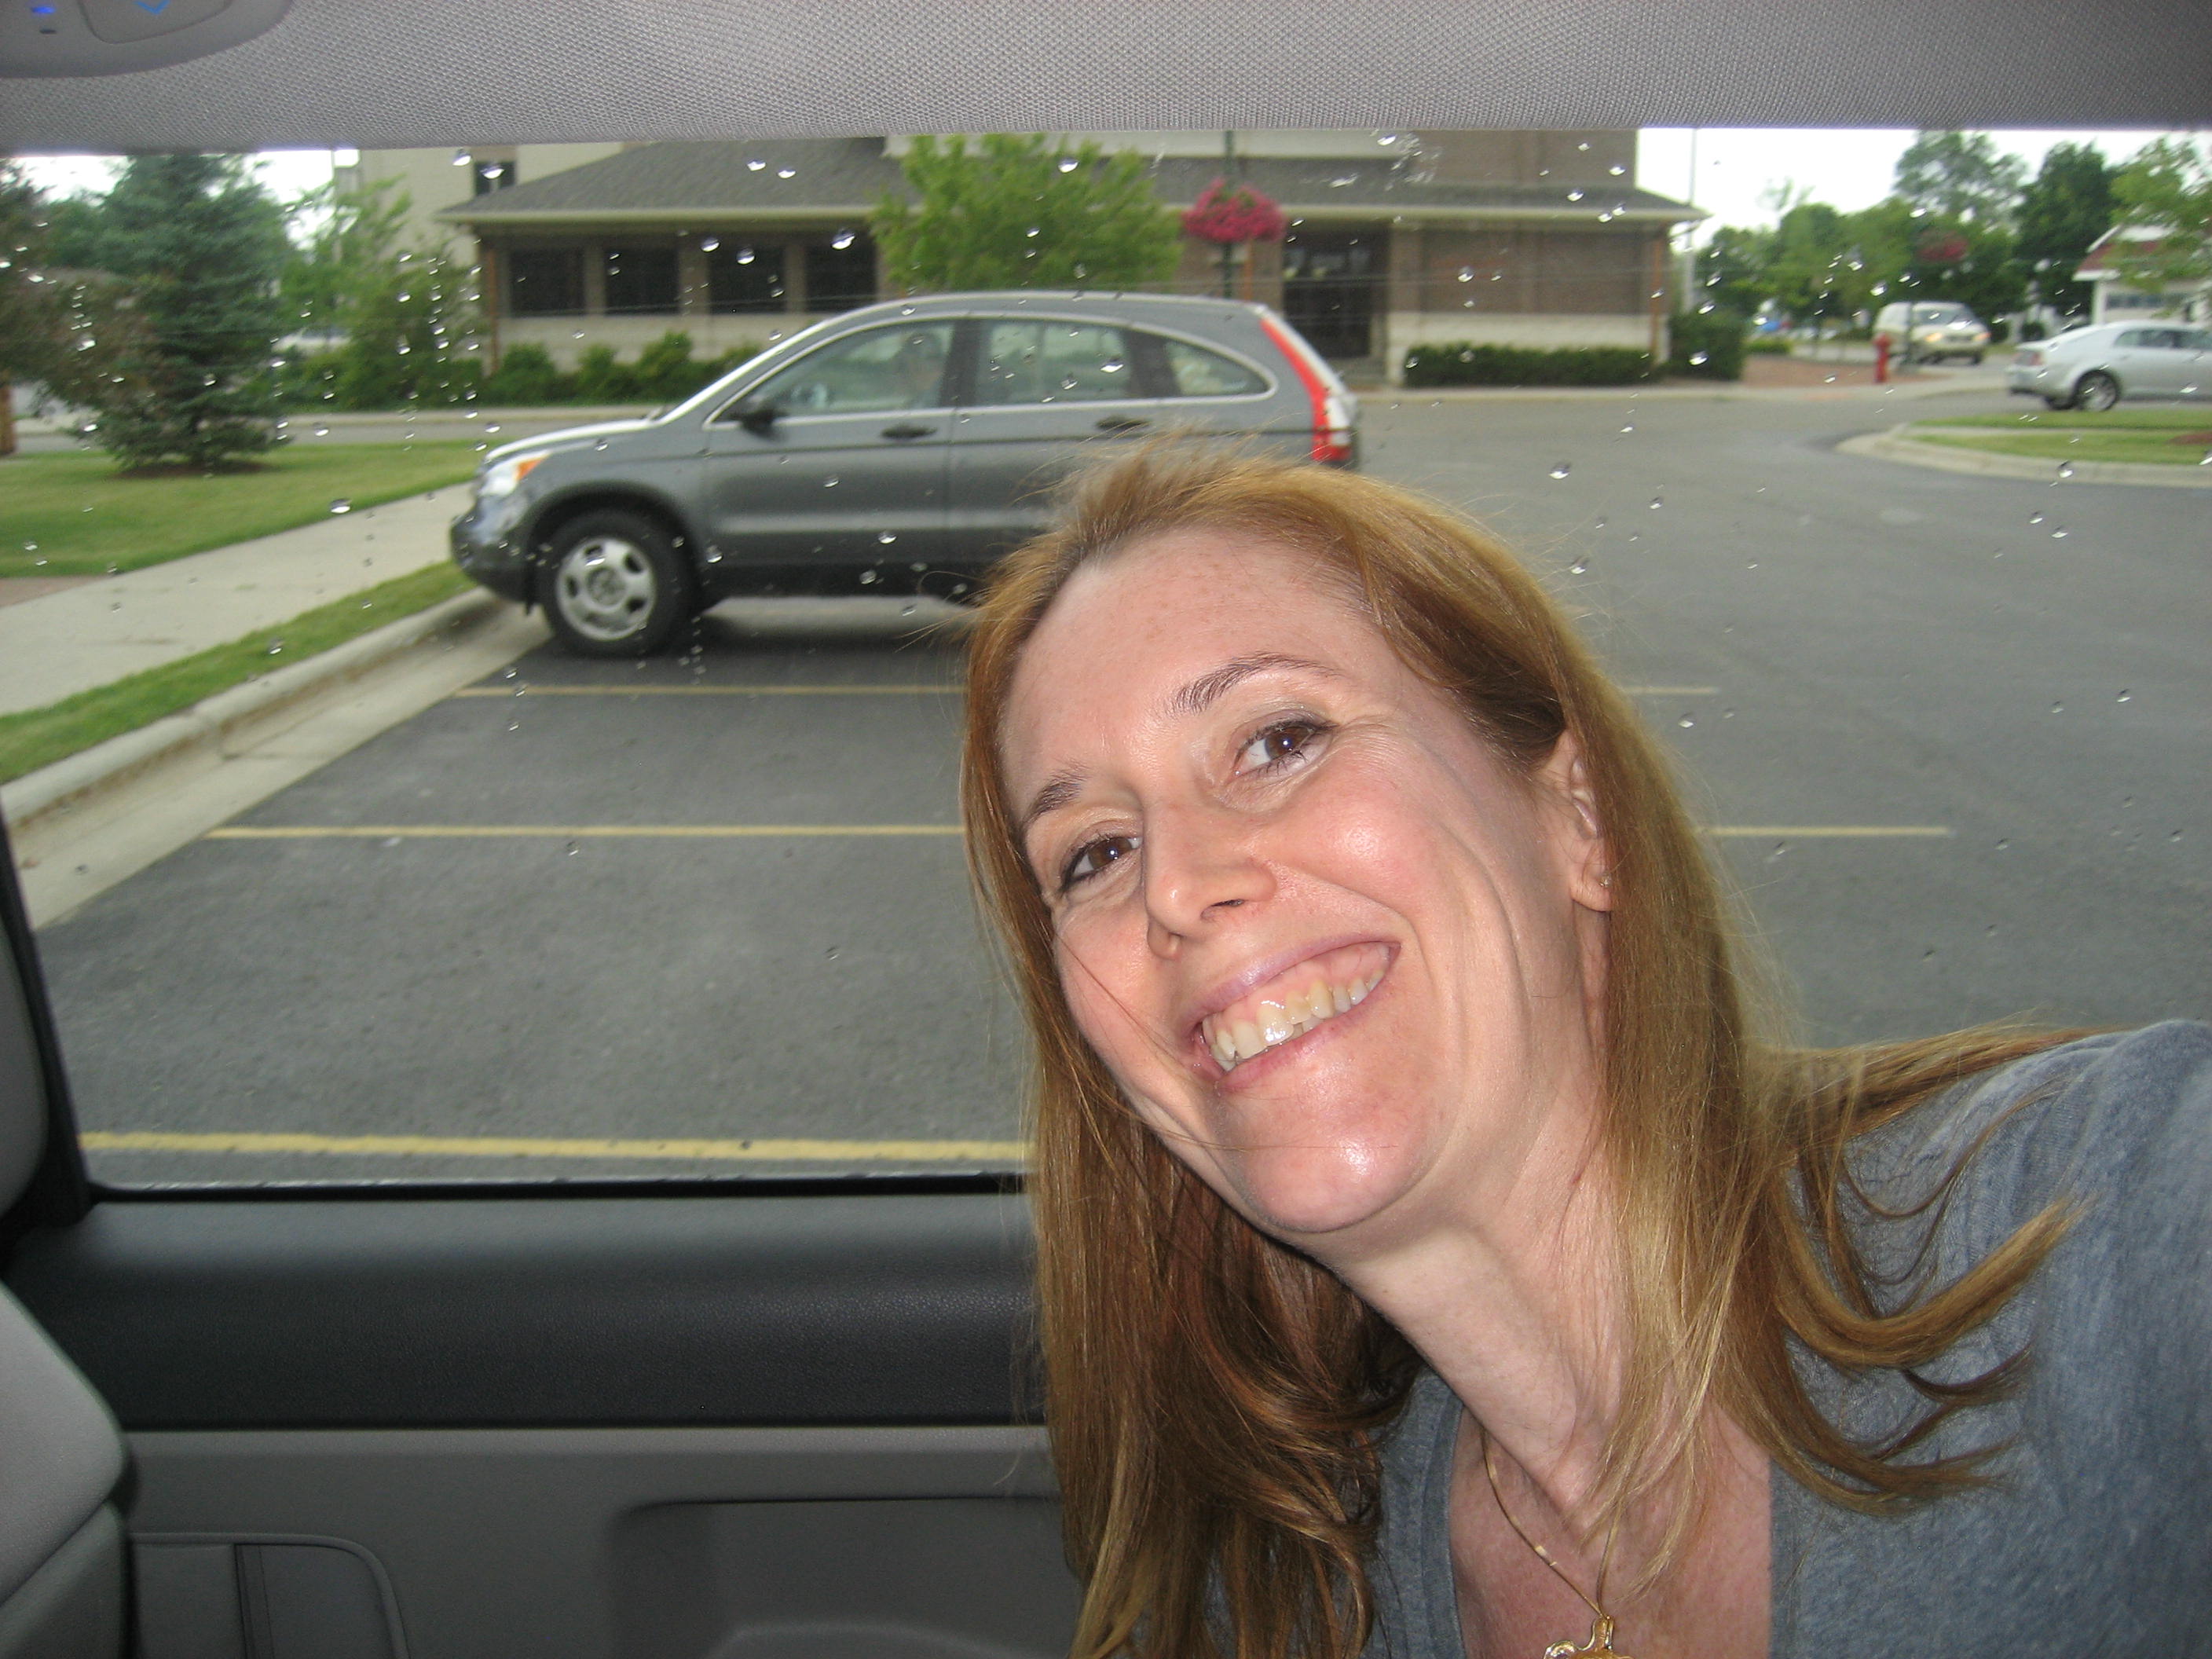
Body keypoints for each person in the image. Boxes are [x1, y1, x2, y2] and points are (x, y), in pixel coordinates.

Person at [956, 444, 2211, 1659]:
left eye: (1280, 739)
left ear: (1581, 816)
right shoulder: (1282, 1599)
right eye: (1094, 854)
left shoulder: (2106, 1232)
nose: (1177, 888)